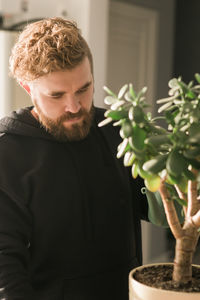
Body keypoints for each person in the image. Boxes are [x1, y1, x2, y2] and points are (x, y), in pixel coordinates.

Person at [0, 17, 149, 300]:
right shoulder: (7, 153)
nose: (75, 106)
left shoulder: (117, 129)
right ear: (27, 88)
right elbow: (4, 265)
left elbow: (154, 203)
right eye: (57, 95)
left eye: (84, 88)